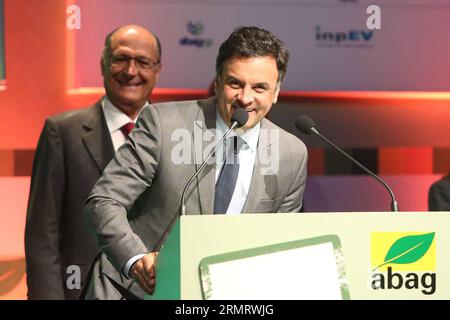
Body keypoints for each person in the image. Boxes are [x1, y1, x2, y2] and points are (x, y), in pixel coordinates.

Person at [82, 26, 308, 300]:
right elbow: (104, 201)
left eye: (260, 87)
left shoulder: (292, 154)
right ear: (218, 80)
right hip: (131, 291)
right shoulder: (163, 124)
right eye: (235, 83)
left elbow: (279, 245)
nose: (245, 98)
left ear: (276, 92)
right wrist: (135, 259)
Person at [24, 25, 162, 299]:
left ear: (157, 69)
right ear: (103, 64)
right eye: (121, 59)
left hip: (158, 290)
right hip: (83, 290)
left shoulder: (177, 135)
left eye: (143, 62)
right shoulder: (62, 132)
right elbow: (43, 233)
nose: (131, 71)